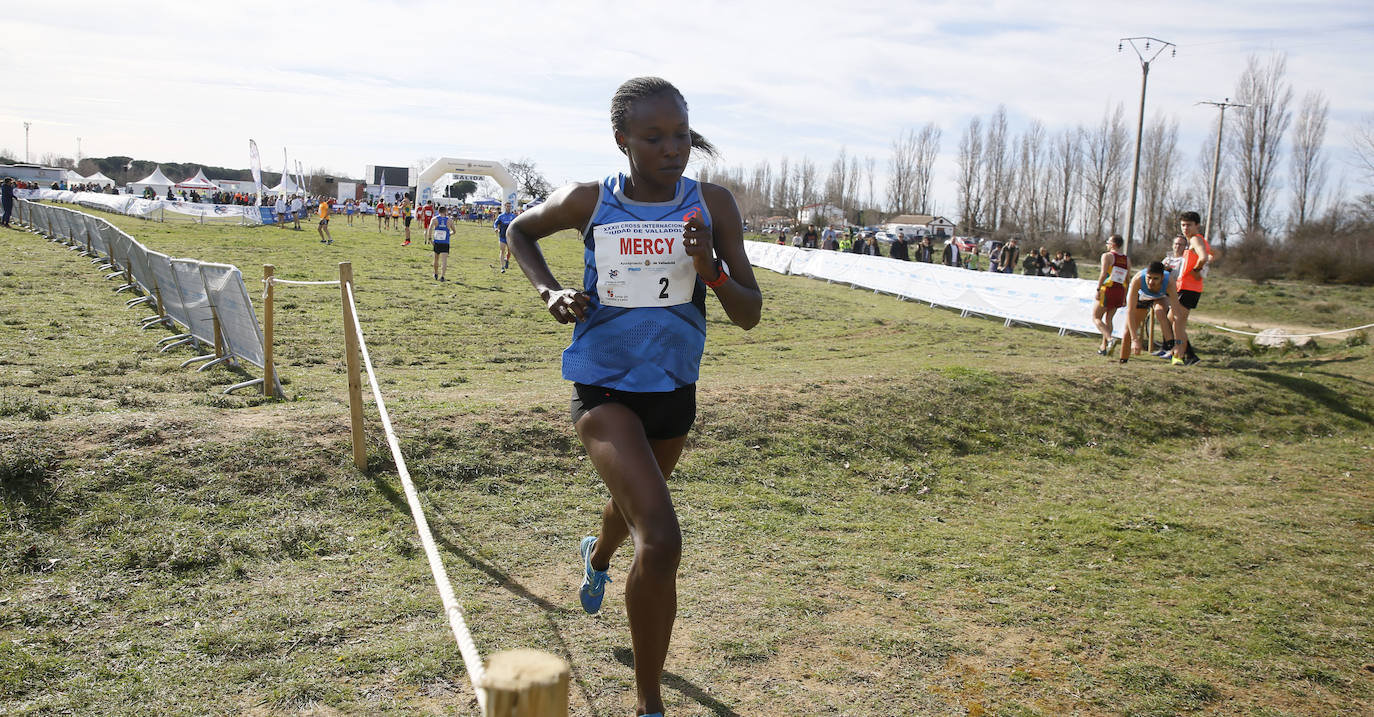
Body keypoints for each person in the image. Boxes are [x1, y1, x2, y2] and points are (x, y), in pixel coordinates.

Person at [504, 76, 762, 717]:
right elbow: (518, 232)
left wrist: (711, 272)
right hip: (602, 387)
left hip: (673, 388)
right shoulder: (593, 199)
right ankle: (649, 701)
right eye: (655, 137)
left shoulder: (713, 206)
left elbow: (750, 313)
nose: (673, 148)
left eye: (680, 134)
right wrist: (550, 292)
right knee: (663, 536)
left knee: (633, 513)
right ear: (622, 140)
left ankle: (597, 555)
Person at [1171, 211, 1213, 366]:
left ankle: (1181, 355)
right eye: (1183, 225)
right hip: (1185, 286)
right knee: (1172, 318)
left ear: (1197, 225)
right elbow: (1209, 256)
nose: (1185, 228)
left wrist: (1196, 270)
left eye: (1189, 225)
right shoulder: (1194, 241)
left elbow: (1203, 257)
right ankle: (1190, 355)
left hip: (1189, 288)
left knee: (1177, 321)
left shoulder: (1196, 239)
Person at [1121, 261, 1176, 363]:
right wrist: (1135, 339)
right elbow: (1130, 311)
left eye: (1155, 279)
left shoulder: (1169, 282)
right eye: (1149, 278)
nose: (1151, 282)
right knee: (1128, 331)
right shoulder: (1137, 279)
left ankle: (1171, 347)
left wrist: (1179, 339)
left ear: (1162, 278)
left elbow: (1176, 310)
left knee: (1160, 312)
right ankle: (1123, 361)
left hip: (1160, 297)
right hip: (1142, 297)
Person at [1092, 234, 1130, 355]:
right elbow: (1127, 280)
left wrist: (1098, 288)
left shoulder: (1107, 256)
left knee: (1096, 317)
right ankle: (1104, 348)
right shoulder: (1126, 259)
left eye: (1108, 242)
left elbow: (1103, 274)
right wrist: (1125, 297)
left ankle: (1110, 339)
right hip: (1119, 290)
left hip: (1108, 289)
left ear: (1113, 244)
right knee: (1109, 318)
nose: (1107, 245)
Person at [430, 205, 452, 281]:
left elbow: (430, 229)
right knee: (444, 260)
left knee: (436, 259)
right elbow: (454, 231)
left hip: (437, 242)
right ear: (445, 211)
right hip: (445, 242)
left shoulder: (434, 219)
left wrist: (430, 239)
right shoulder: (449, 220)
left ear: (438, 211)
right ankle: (442, 276)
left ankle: (436, 273)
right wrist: (449, 234)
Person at [493, 203, 516, 272]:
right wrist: (496, 228)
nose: (508, 208)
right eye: (507, 206)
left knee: (509, 252)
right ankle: (502, 268)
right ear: (505, 207)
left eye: (509, 206)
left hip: (510, 237)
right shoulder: (501, 216)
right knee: (502, 251)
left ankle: (507, 259)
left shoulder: (513, 216)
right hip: (502, 236)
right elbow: (495, 223)